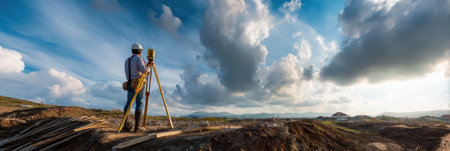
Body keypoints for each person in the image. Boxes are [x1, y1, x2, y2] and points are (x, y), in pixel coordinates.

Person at [123, 42, 150, 132]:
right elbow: (144, 70)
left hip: (130, 83)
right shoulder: (139, 59)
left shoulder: (127, 60)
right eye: (141, 51)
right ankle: (137, 127)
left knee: (128, 103)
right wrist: (149, 67)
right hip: (138, 83)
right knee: (139, 103)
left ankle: (126, 126)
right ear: (139, 51)